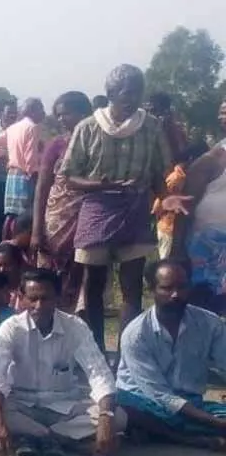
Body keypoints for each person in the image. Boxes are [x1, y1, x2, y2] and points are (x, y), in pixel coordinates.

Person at [60, 64, 170, 348]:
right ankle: (95, 351)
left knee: (132, 288)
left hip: (135, 208)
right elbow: (69, 175)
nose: (133, 99)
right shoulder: (88, 127)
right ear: (110, 93)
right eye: (126, 93)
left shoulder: (151, 127)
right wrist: (99, 185)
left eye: (137, 92)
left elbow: (159, 172)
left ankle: (125, 354)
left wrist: (165, 195)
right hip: (97, 208)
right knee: (94, 285)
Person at [0, 268, 121, 456]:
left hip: (64, 409)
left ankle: (37, 438)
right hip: (22, 406)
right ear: (22, 298)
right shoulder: (11, 328)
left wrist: (106, 417)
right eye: (32, 299)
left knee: (118, 415)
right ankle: (65, 441)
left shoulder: (75, 326)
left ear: (57, 298)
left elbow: (99, 373)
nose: (39, 305)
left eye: (45, 298)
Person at [116, 260, 226, 450]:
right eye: (167, 288)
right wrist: (217, 424)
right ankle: (187, 439)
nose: (175, 295)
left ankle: (158, 432)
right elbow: (161, 396)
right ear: (151, 290)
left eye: (182, 287)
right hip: (145, 400)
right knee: (123, 410)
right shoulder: (136, 334)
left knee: (194, 416)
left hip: (191, 402)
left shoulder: (210, 324)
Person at [32, 92, 93, 312]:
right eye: (57, 115)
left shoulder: (99, 143)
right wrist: (37, 230)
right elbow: (42, 187)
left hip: (90, 218)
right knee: (50, 275)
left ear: (84, 113)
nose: (60, 119)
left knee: (82, 272)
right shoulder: (56, 145)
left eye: (65, 114)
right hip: (57, 219)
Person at [177, 99, 226, 307]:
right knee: (207, 314)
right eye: (222, 112)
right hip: (207, 256)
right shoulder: (211, 160)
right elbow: (184, 207)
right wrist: (177, 251)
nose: (222, 116)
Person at [0, 97, 45, 240]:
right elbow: (30, 157)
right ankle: (18, 243)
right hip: (26, 175)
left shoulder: (12, 127)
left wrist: (6, 155)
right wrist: (34, 176)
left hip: (12, 174)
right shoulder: (32, 127)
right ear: (33, 111)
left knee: (10, 214)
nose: (43, 113)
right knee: (25, 215)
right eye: (41, 110)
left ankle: (5, 241)